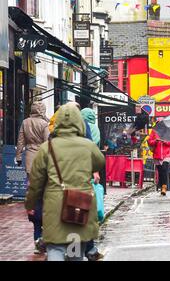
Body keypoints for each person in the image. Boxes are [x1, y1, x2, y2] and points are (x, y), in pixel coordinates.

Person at [25, 103, 105, 261]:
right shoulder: (88, 146)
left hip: (55, 207)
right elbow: (99, 163)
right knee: (75, 250)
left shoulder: (46, 148)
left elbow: (36, 182)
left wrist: (30, 204)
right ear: (79, 122)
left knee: (55, 247)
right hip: (79, 206)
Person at [16, 101, 49, 254]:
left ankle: (34, 207)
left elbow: (21, 140)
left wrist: (18, 156)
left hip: (29, 156)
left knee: (32, 185)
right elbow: (48, 142)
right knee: (43, 186)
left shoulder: (25, 122)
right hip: (42, 157)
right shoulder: (44, 123)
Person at [80, 107, 103, 261]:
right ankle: (90, 250)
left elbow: (38, 176)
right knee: (85, 217)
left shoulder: (51, 143)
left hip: (58, 191)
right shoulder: (90, 131)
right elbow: (99, 158)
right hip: (82, 184)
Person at [148, 128, 170, 196]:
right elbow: (150, 141)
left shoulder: (168, 131)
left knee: (164, 169)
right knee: (160, 172)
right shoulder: (154, 131)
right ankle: (161, 186)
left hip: (167, 154)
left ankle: (164, 187)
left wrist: (164, 141)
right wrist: (155, 141)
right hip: (157, 155)